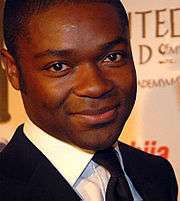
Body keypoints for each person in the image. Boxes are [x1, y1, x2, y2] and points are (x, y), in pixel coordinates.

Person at [0, 0, 178, 201]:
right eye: (58, 67)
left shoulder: (157, 173)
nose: (95, 86)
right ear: (13, 70)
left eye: (113, 57)